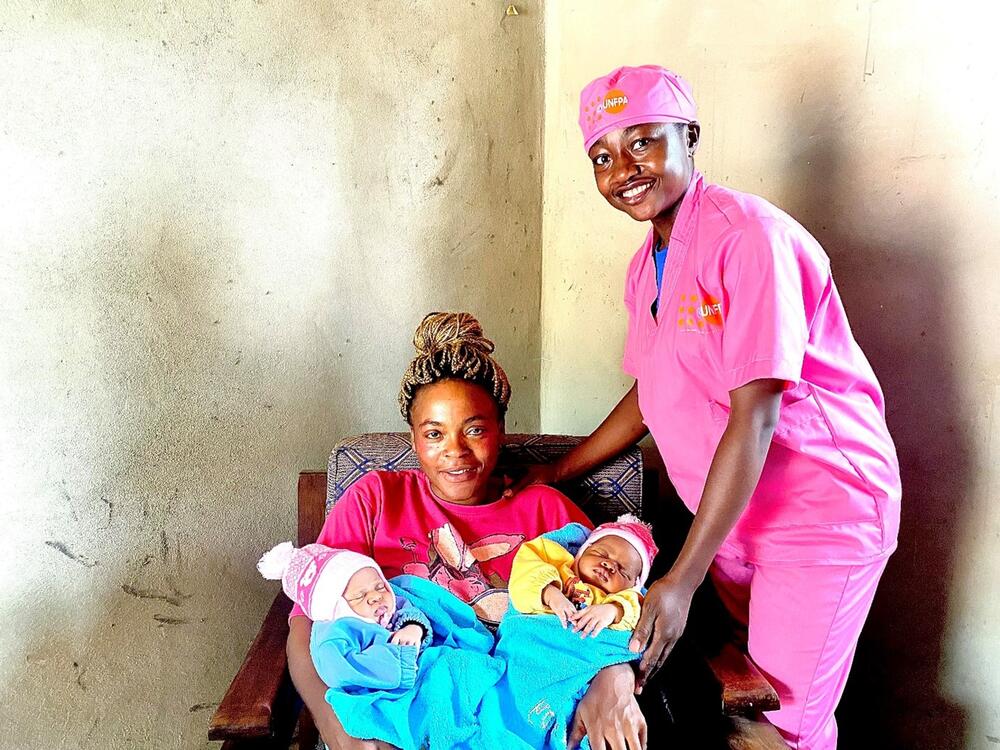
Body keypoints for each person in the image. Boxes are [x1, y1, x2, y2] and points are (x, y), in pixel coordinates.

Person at [514, 66, 901, 749]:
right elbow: (653, 390)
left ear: (689, 135)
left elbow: (757, 413)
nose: (622, 170)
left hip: (817, 514)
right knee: (737, 702)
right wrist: (560, 470)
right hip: (735, 523)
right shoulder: (647, 266)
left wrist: (681, 580)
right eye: (602, 157)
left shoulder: (748, 237)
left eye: (643, 142)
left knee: (778, 727)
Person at [286, 312, 647, 750]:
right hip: (406, 710)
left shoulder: (547, 511)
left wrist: (615, 679)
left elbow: (620, 604)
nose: (455, 452)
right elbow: (307, 624)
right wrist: (344, 737)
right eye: (434, 433)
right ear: (414, 439)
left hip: (522, 713)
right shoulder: (375, 498)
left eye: (474, 429)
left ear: (500, 431)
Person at [259, 543, 431, 691]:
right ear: (335, 607)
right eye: (359, 596)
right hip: (388, 687)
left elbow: (406, 608)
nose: (375, 597)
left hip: (421, 664)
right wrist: (401, 662)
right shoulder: (333, 633)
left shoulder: (389, 606)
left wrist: (413, 627)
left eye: (380, 587)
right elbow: (340, 670)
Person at [510, 514, 658, 637]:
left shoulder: (624, 598)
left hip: (583, 652)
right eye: (601, 554)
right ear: (581, 553)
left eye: (623, 571)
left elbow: (636, 613)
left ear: (633, 586)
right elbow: (526, 569)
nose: (610, 565)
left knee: (620, 672)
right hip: (538, 636)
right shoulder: (559, 564)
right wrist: (550, 593)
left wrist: (613, 611)